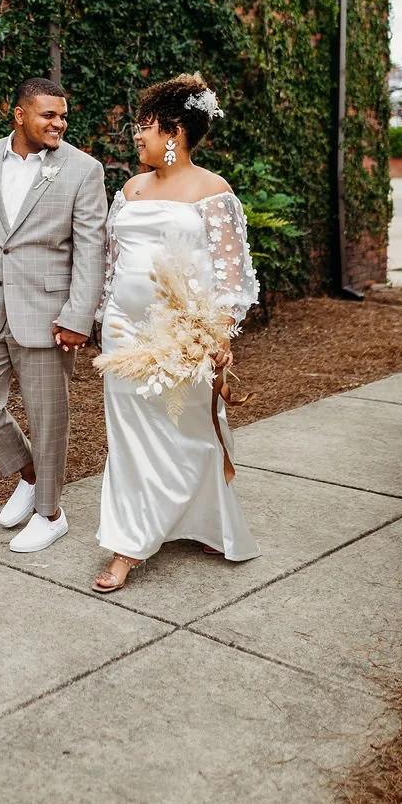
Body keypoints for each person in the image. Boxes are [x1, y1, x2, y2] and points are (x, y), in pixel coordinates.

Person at [94, 73, 260, 593]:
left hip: (183, 333)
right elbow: (111, 262)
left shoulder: (213, 192)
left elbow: (233, 275)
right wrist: (104, 319)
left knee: (187, 432)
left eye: (143, 127)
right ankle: (128, 544)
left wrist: (220, 333)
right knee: (128, 438)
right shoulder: (130, 189)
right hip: (125, 332)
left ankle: (206, 520)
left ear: (173, 132)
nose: (135, 137)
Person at [0, 78, 108, 553]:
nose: (59, 123)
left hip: (48, 313)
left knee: (48, 418)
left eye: (63, 116)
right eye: (48, 115)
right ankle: (30, 473)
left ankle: (50, 512)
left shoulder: (83, 169)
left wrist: (80, 315)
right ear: (19, 115)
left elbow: (91, 249)